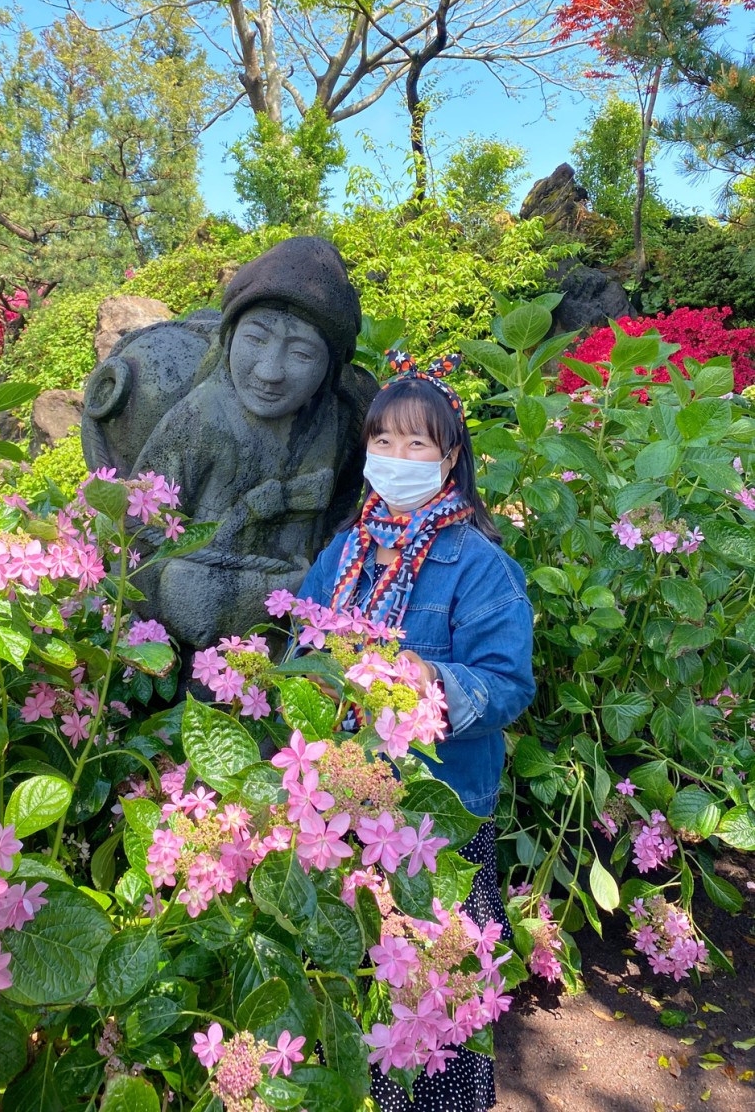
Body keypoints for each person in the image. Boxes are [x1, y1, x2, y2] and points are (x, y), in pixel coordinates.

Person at [297, 353, 535, 1112]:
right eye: (384, 445)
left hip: (439, 816)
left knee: (437, 997)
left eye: (418, 446)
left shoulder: (480, 565)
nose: (398, 461)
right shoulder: (344, 554)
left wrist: (431, 680)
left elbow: (508, 687)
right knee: (349, 985)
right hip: (340, 811)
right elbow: (299, 646)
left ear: (451, 459)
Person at [125, 237, 376, 649]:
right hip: (197, 625)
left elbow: (343, 521)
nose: (269, 371)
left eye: (301, 353)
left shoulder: (340, 421)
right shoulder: (199, 419)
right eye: (255, 339)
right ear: (229, 339)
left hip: (296, 623)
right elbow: (135, 538)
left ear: (330, 368)